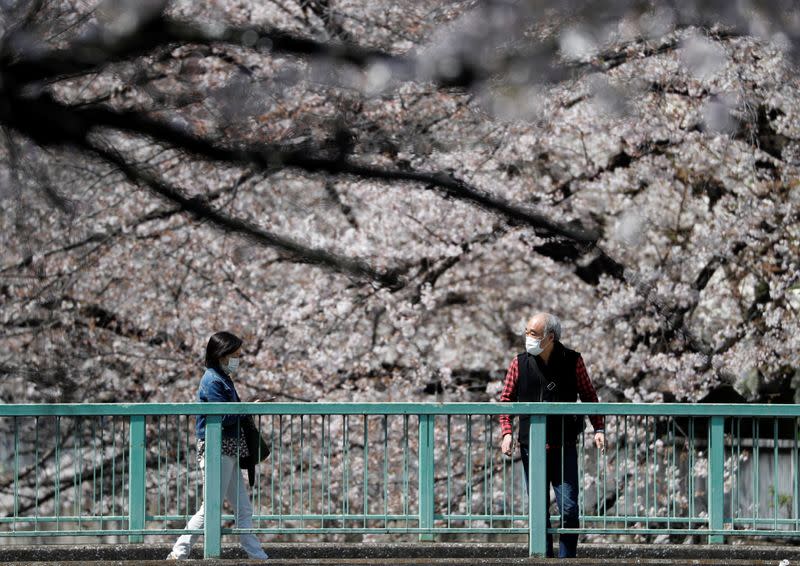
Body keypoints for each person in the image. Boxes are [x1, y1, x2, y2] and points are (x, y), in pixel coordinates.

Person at [499, 312, 605, 559]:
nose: (528, 338)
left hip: (564, 443)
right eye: (526, 332)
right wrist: (506, 432)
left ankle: (567, 559)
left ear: (550, 337)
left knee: (569, 507)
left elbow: (589, 396)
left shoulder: (573, 360)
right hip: (530, 446)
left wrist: (598, 428)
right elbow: (506, 401)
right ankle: (542, 557)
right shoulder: (519, 363)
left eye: (533, 334)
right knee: (539, 509)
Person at [168, 331, 269, 560]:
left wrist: (245, 408)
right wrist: (246, 409)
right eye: (235, 355)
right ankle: (179, 552)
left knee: (243, 508)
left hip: (228, 449)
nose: (238, 359)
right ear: (221, 354)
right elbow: (220, 417)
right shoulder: (213, 380)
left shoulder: (222, 377)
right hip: (217, 450)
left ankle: (257, 555)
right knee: (209, 508)